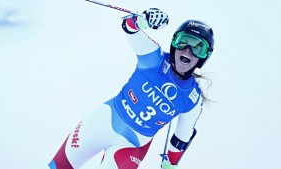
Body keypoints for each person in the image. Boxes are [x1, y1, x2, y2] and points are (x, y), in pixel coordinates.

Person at [47, 8, 214, 169]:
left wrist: (170, 164)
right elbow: (128, 27)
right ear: (174, 44)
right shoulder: (154, 59)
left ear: (204, 57)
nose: (188, 50)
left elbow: (182, 136)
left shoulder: (192, 99)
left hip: (132, 146)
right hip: (102, 122)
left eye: (198, 47)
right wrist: (144, 20)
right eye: (183, 41)